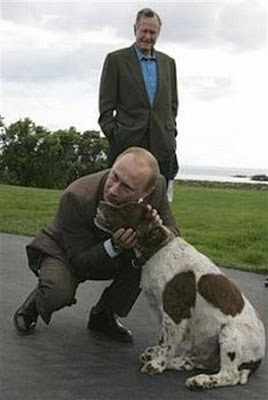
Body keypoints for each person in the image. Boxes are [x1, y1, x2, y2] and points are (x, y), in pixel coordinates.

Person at [13, 147, 179, 342]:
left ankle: (103, 316)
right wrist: (115, 246)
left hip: (116, 251)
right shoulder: (76, 196)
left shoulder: (157, 186)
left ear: (146, 191)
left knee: (145, 260)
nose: (113, 190)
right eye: (114, 176)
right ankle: (36, 301)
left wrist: (158, 228)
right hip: (66, 251)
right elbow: (79, 262)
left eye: (126, 187)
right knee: (57, 292)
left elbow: (174, 235)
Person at [98, 7, 179, 187]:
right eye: (144, 31)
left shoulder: (168, 63)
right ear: (135, 29)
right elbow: (105, 106)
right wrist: (115, 135)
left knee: (158, 203)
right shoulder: (116, 60)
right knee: (121, 199)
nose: (148, 37)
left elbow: (172, 105)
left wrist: (171, 132)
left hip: (162, 144)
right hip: (127, 143)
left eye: (153, 32)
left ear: (159, 33)